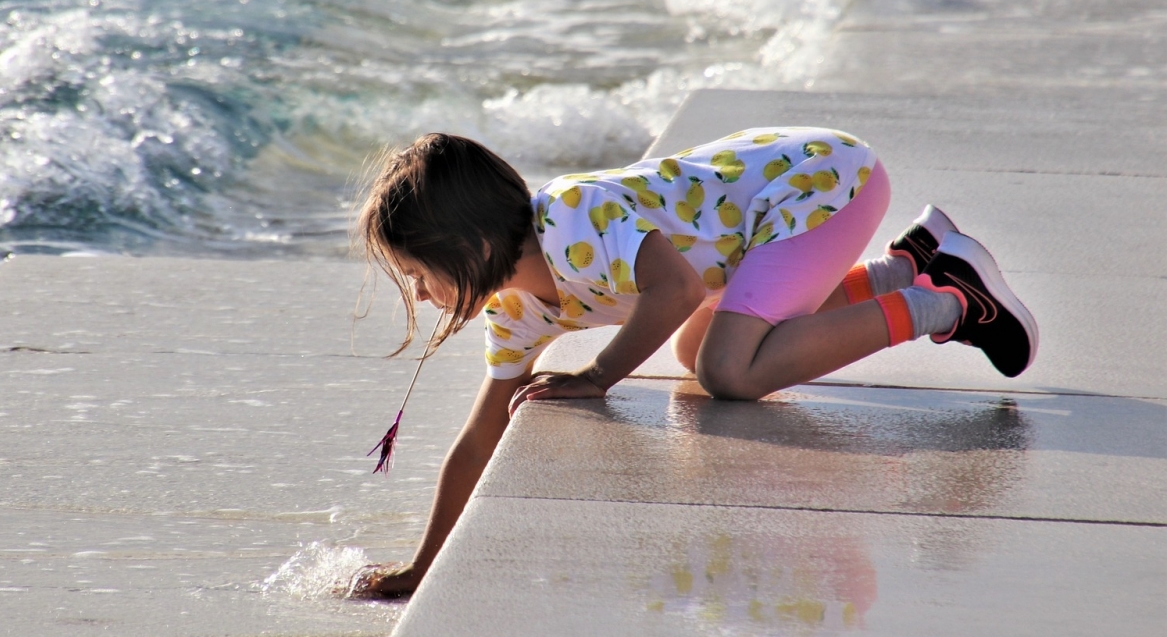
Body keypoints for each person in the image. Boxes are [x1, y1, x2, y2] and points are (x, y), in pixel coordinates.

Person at [350, 128, 1037, 597]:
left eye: (418, 273)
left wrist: (598, 375)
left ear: (468, 245)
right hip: (772, 217)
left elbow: (676, 290)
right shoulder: (515, 308)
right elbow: (480, 438)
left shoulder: (569, 216)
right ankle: (904, 267)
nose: (420, 294)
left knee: (728, 371)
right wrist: (422, 566)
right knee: (691, 350)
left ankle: (946, 303)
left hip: (820, 182)